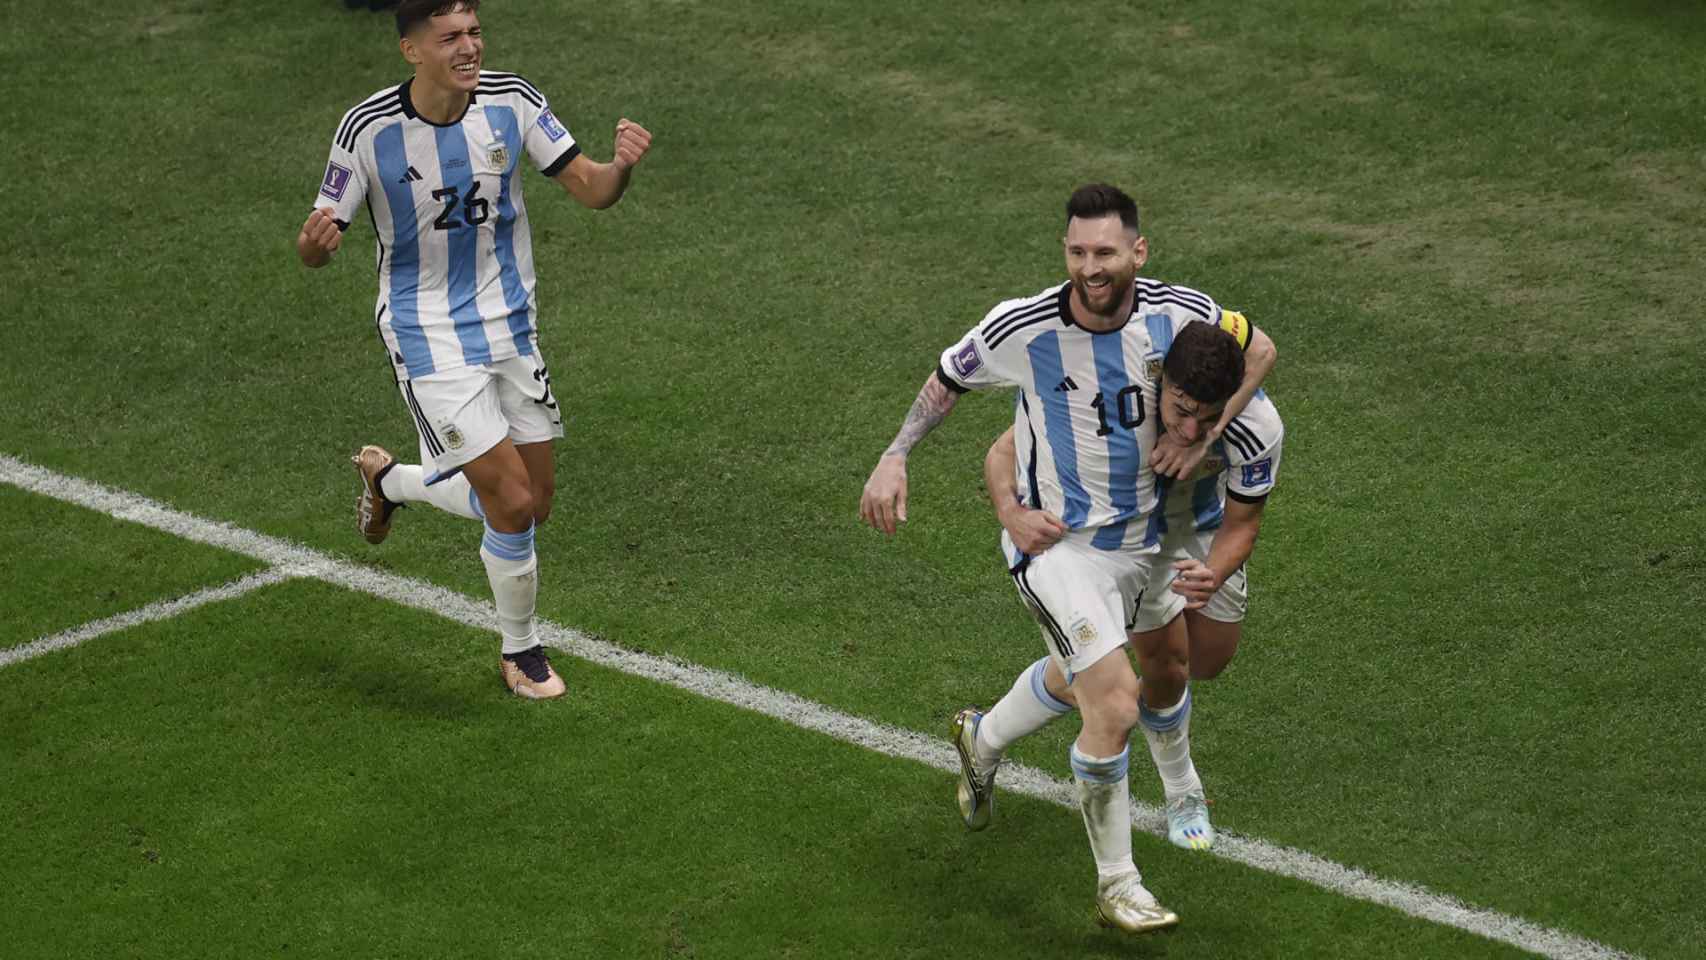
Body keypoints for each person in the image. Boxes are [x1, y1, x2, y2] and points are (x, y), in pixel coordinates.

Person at [858, 183, 1275, 933]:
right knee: (1113, 699)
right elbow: (947, 384)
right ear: (1065, 253)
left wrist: (1207, 437)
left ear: (1136, 252)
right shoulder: (1021, 327)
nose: (1092, 266)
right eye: (1078, 251)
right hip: (1060, 549)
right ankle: (1118, 883)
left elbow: (1262, 349)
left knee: (1128, 671)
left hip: (1145, 549)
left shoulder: (1179, 315)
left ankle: (981, 738)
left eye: (1106, 251)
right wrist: (896, 457)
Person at [296, 0, 652, 699]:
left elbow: (592, 189)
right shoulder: (367, 129)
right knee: (512, 501)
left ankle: (390, 483)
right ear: (412, 50)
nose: (469, 48)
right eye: (451, 37)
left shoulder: (512, 101)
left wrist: (622, 167)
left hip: (510, 327)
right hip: (426, 335)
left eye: (475, 33)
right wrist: (314, 246)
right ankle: (521, 652)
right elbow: (320, 235)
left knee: (534, 502)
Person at [978, 335, 1284, 851]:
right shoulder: (1112, 396)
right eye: (1181, 412)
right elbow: (1005, 449)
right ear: (1161, 381)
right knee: (1162, 666)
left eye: (1207, 419)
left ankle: (984, 734)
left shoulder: (1257, 428)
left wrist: (1213, 572)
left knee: (1205, 659)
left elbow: (1244, 522)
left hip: (1200, 531)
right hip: (1115, 537)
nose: (1190, 430)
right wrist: (1011, 512)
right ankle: (1183, 789)